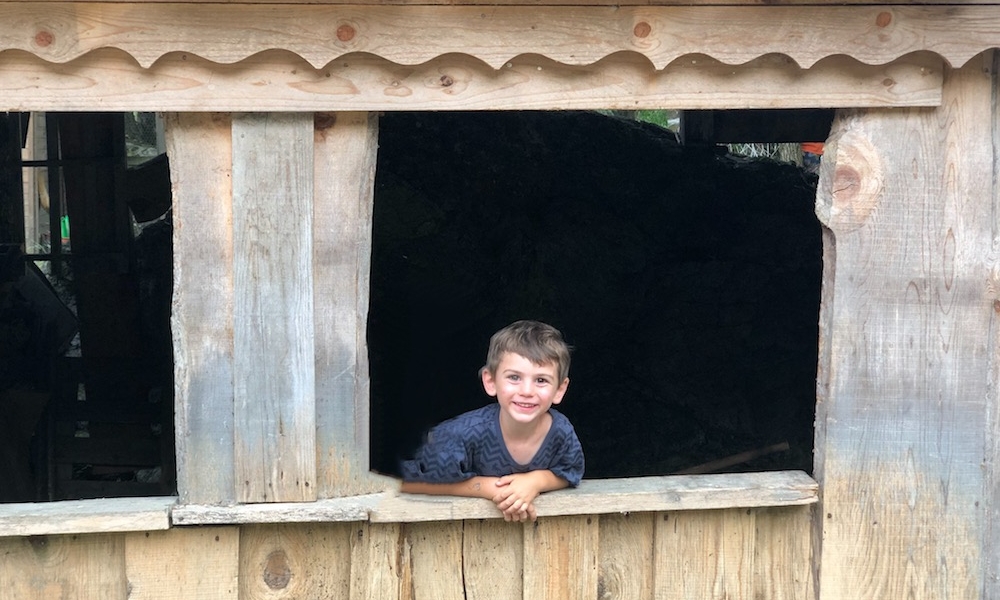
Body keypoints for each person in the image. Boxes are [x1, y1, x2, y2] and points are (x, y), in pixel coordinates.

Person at [400, 320, 585, 522]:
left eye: (541, 380)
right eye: (514, 377)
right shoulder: (461, 434)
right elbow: (410, 481)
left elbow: (570, 471)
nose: (526, 391)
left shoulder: (561, 431)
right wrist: (493, 489)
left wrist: (534, 482)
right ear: (490, 382)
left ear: (560, 390)